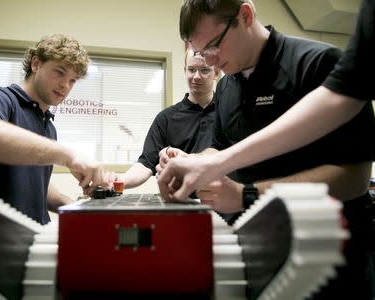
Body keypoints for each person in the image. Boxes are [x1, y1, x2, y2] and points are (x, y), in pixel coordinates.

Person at [158, 0, 374, 299]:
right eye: (200, 53)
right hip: (258, 244)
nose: (210, 61)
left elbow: (354, 179)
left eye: (214, 46)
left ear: (245, 15)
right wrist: (192, 162)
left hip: (326, 258)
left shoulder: (318, 63)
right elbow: (220, 148)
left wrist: (247, 195)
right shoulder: (226, 86)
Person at [0, 34, 110, 225]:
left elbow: (36, 185)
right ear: (36, 64)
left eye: (73, 80)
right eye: (59, 72)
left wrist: (75, 208)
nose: (65, 85)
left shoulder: (48, 127)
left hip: (27, 238)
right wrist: (69, 156)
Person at [115, 50, 220, 189]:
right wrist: (114, 182)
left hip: (222, 200)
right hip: (178, 202)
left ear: (217, 72)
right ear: (185, 71)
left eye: (204, 70)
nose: (196, 76)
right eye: (191, 70)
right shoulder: (165, 118)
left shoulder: (227, 112)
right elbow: (146, 164)